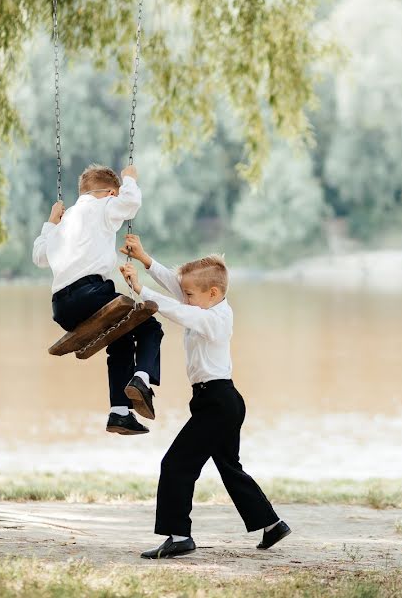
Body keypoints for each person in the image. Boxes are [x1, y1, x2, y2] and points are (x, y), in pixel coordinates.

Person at [119, 234, 291, 558]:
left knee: (175, 464)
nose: (183, 298)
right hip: (218, 400)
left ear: (212, 293)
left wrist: (142, 290)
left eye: (189, 294)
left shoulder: (214, 318)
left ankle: (179, 536)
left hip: (218, 402)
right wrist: (145, 259)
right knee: (229, 466)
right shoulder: (205, 302)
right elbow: (177, 286)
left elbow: (181, 312)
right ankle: (272, 525)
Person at [32, 165, 161, 435]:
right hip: (90, 293)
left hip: (62, 308)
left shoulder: (64, 222)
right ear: (110, 193)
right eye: (115, 196)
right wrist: (130, 178)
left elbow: (40, 257)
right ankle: (141, 379)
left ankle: (120, 413)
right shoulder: (101, 207)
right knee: (150, 327)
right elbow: (131, 203)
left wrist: (51, 222)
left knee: (121, 338)